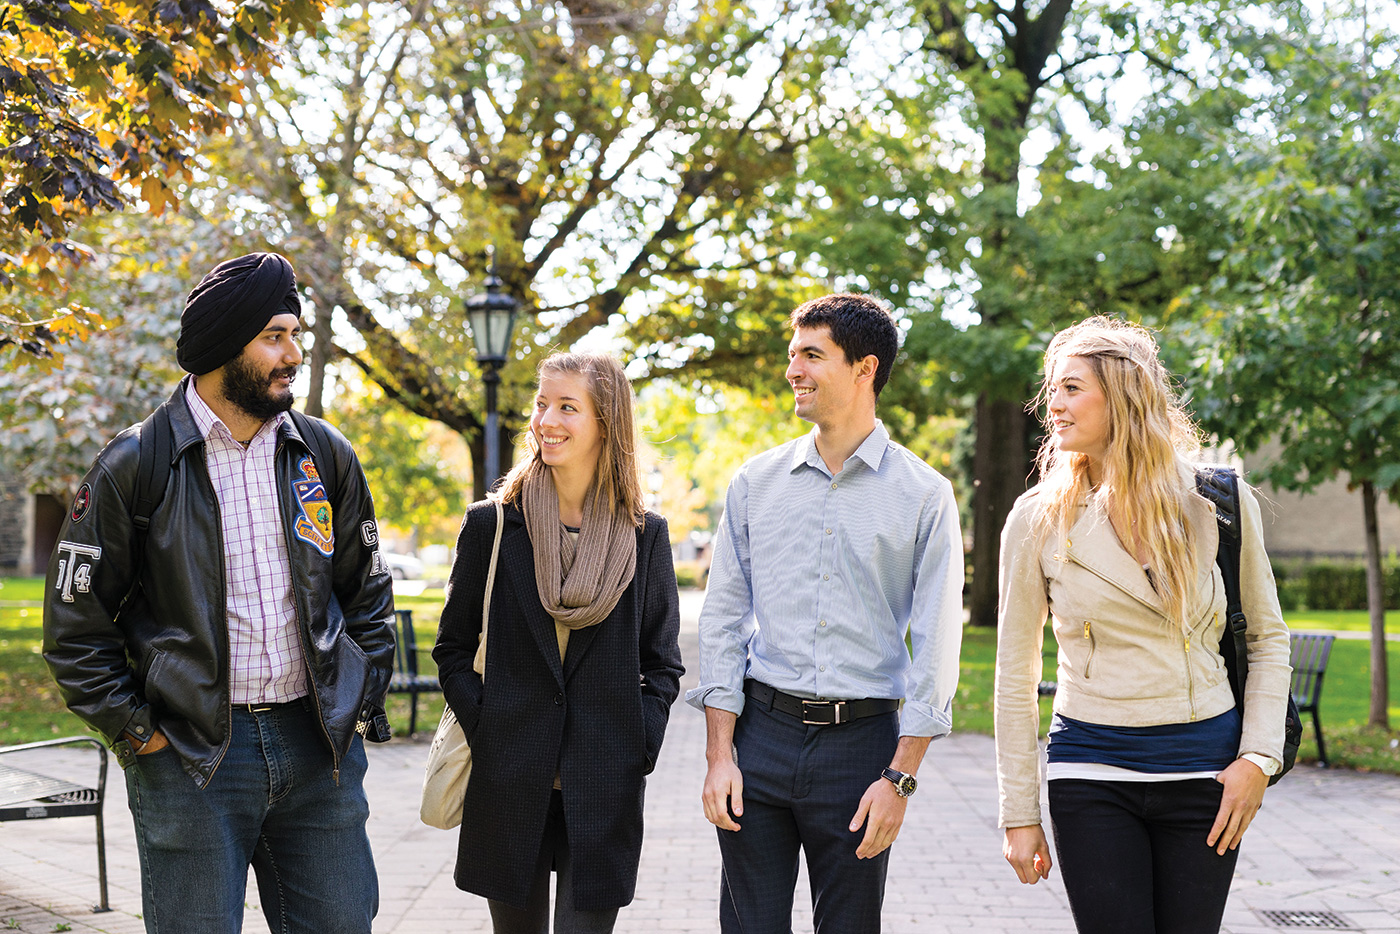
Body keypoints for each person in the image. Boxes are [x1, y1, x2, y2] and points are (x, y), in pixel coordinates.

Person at [42, 251, 397, 934]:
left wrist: (358, 702)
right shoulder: (134, 465)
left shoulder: (325, 455)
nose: (293, 353)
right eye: (274, 336)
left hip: (315, 747)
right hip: (191, 757)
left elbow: (368, 593)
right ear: (219, 349)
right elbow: (74, 628)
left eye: (296, 334)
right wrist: (141, 735)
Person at [994, 315, 1292, 933]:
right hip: (1091, 768)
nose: (1053, 404)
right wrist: (1019, 813)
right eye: (1052, 388)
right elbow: (1013, 675)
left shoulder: (1218, 502)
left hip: (1206, 772)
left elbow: (1266, 638)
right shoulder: (1037, 520)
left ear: (1124, 397)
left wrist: (1257, 760)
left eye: (1071, 388)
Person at [687, 293, 965, 933]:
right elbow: (724, 619)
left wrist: (901, 778)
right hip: (760, 735)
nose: (794, 371)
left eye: (813, 355)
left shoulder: (923, 496)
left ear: (865, 369)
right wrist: (720, 756)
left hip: (862, 749)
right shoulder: (755, 482)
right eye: (793, 355)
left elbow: (938, 641)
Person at [434, 351, 684, 934]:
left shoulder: (645, 536)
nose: (547, 419)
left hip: (604, 778)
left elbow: (662, 663)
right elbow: (451, 648)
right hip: (510, 774)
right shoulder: (493, 525)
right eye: (542, 404)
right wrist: (489, 727)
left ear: (607, 423)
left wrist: (637, 745)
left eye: (567, 407)